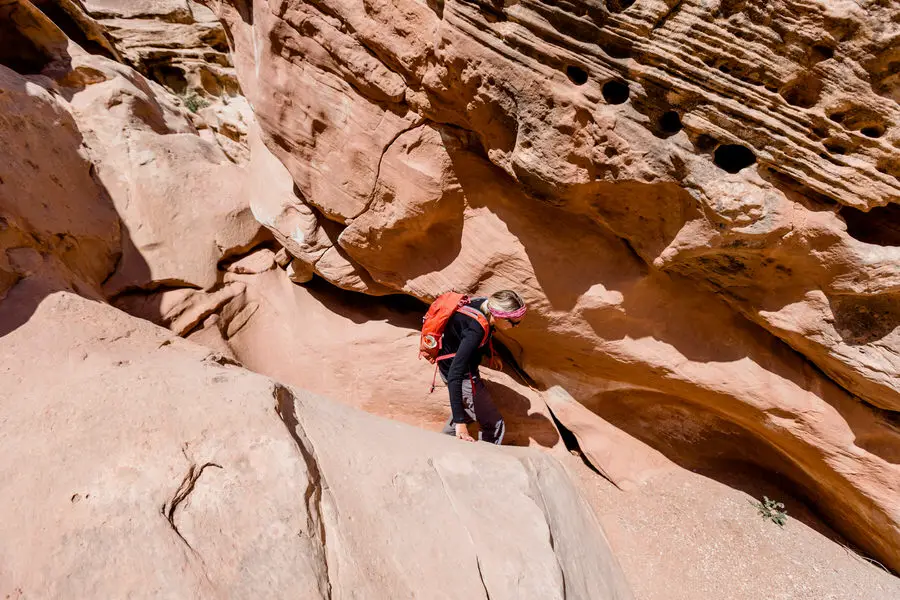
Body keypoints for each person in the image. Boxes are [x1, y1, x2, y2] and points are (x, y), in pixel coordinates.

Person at [438, 290, 527, 444]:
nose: (516, 326)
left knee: (468, 411)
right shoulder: (475, 331)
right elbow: (455, 374)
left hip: (450, 363)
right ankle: (485, 460)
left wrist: (490, 352)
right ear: (499, 316)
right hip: (462, 374)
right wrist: (460, 423)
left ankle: (442, 442)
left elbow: (483, 330)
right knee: (493, 425)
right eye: (514, 322)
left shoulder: (485, 305)